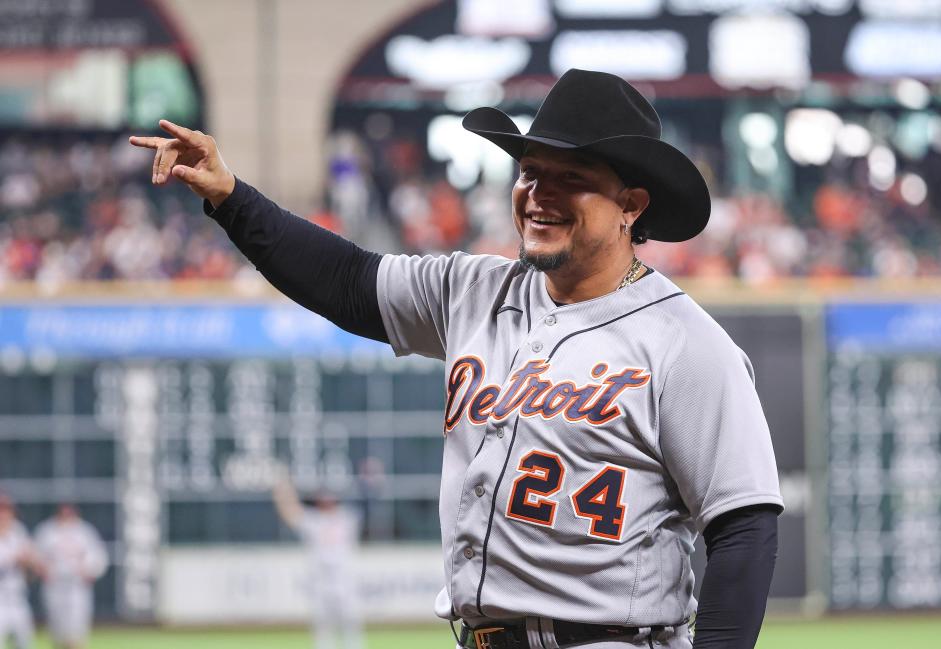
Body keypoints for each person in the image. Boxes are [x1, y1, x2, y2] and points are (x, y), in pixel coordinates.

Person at [132, 68, 783, 649]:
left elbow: (743, 526)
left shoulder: (687, 343)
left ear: (630, 207)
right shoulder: (473, 289)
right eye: (530, 172)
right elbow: (347, 281)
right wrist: (229, 195)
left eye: (572, 180)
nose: (538, 194)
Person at [272, 472, 363, 649]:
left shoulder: (347, 517)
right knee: (323, 630)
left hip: (344, 580)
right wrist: (283, 492)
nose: (326, 501)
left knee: (350, 625)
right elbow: (291, 513)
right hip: (321, 581)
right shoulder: (312, 520)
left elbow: (367, 500)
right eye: (323, 498)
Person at [33, 504, 108, 649]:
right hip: (55, 585)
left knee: (77, 628)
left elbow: (98, 557)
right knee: (57, 628)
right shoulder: (48, 531)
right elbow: (36, 556)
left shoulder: (84, 531)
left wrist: (90, 571)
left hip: (77, 585)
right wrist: (41, 569)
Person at [0, 494, 42, 649]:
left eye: (7, 511)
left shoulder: (18, 531)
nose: (4, 515)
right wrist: (13, 559)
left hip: (17, 597)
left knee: (24, 642)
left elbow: (30, 559)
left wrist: (31, 563)